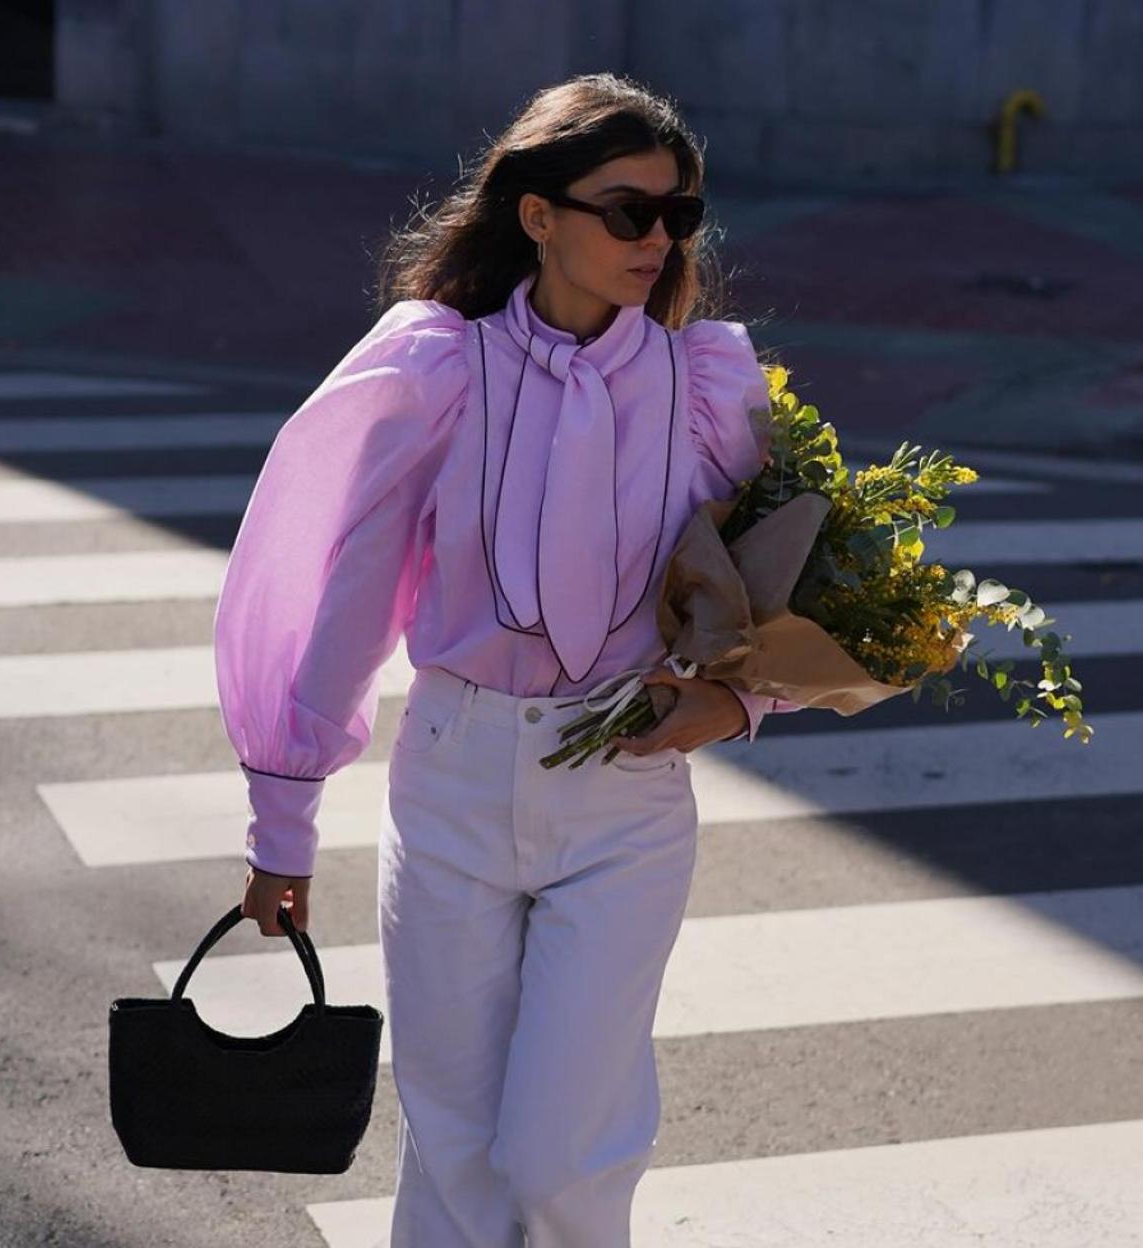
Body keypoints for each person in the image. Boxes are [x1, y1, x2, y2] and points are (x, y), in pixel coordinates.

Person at [217, 71, 798, 1248]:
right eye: (627, 210)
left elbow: (775, 581)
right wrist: (283, 819)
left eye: (678, 215)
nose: (658, 239)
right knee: (454, 1156)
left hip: (626, 795)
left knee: (559, 1159)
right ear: (537, 213)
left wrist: (735, 706)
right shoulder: (436, 369)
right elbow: (347, 595)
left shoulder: (705, 383)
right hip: (455, 775)